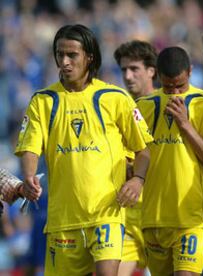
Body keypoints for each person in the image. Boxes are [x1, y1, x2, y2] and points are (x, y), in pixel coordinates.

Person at [15, 24, 153, 276]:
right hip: (63, 220)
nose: (64, 62)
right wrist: (29, 176)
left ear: (90, 57)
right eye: (59, 54)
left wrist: (138, 180)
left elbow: (143, 150)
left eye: (72, 55)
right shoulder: (43, 100)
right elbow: (30, 148)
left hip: (106, 214)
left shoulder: (114, 97)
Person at [136, 46, 203, 276]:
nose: (175, 93)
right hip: (154, 219)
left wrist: (185, 124)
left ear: (190, 72)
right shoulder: (143, 106)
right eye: (168, 87)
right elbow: (131, 157)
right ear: (157, 75)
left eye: (180, 86)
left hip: (192, 219)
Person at [113, 39, 158, 276]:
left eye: (134, 69)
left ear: (151, 71)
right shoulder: (118, 108)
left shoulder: (168, 106)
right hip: (129, 213)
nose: (128, 76)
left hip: (162, 214)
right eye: (123, 70)